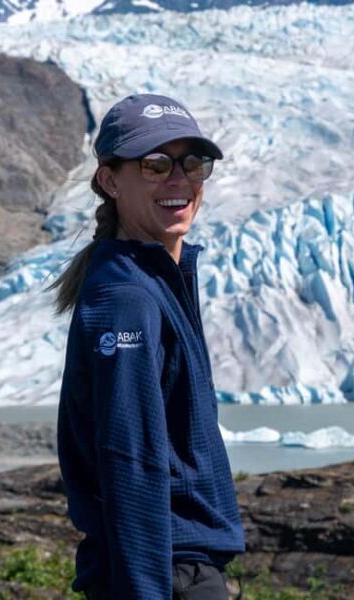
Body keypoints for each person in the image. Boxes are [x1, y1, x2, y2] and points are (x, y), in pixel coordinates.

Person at [51, 93, 245, 599]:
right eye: (155, 165)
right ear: (110, 180)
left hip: (173, 570)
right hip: (166, 575)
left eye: (192, 164)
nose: (178, 180)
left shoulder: (151, 279)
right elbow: (129, 459)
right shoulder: (129, 299)